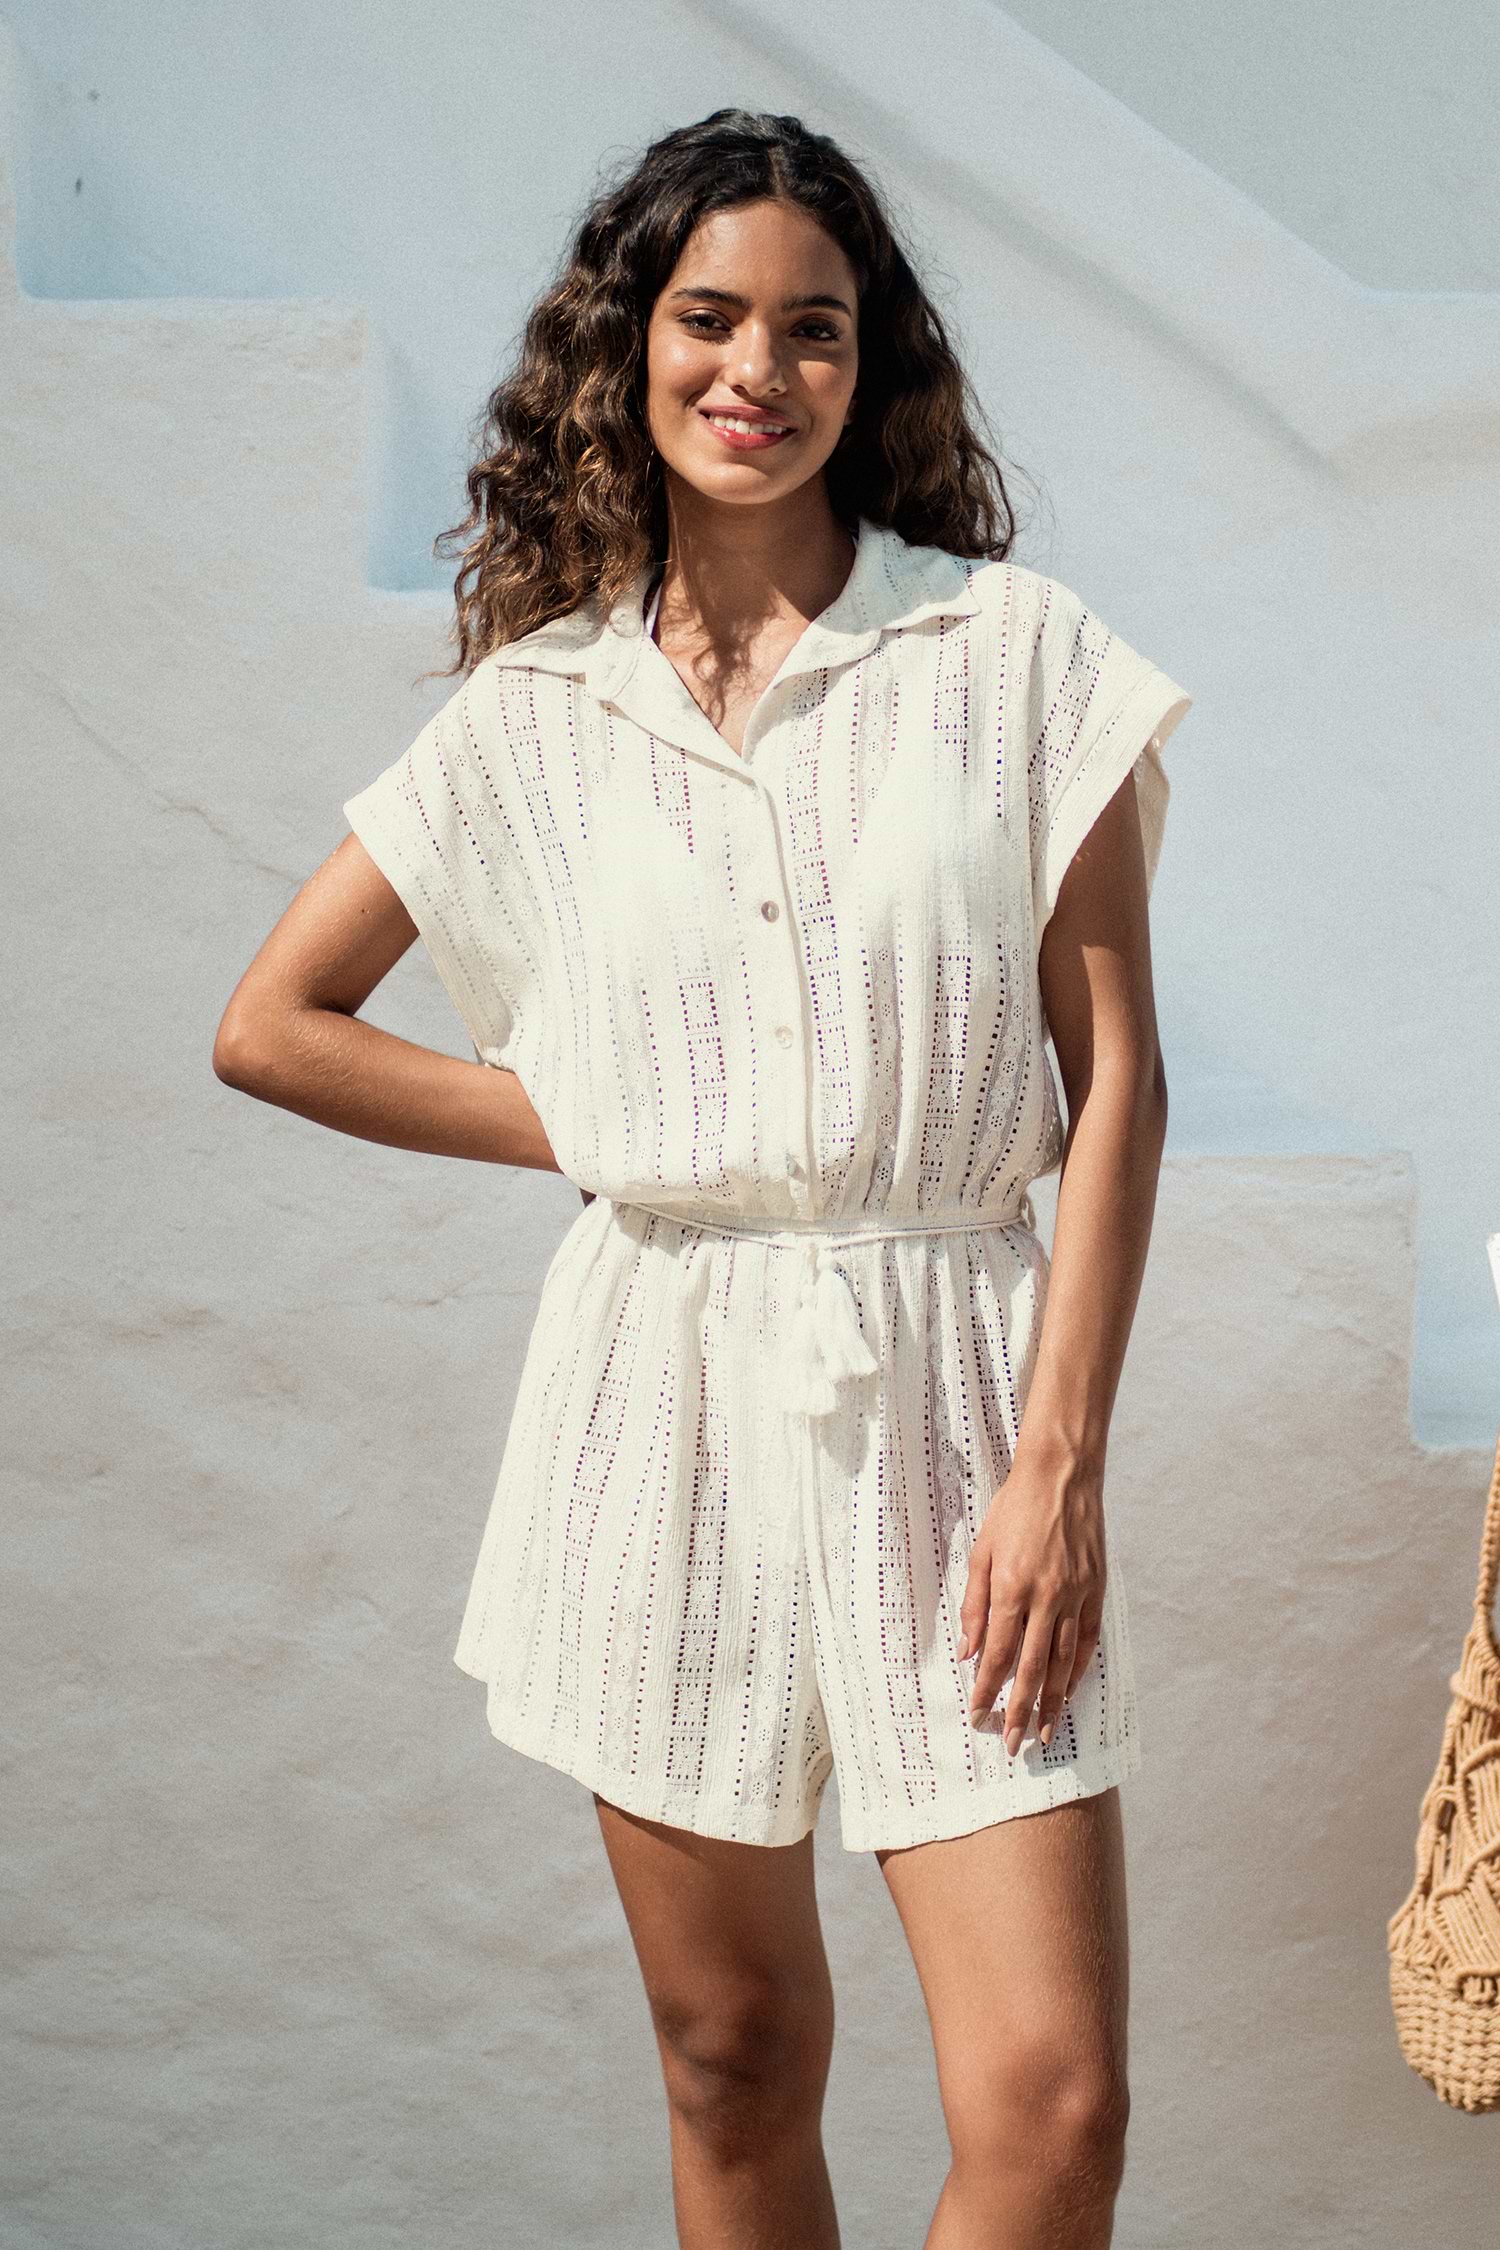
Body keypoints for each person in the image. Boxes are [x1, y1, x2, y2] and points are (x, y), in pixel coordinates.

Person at [215, 106, 1192, 2250]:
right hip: (660, 1399)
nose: (760, 369)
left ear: (872, 364)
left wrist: (1059, 1463)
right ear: (628, 346)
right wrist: (604, 1122)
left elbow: (1114, 1073)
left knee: (1054, 2103)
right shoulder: (538, 715)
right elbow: (271, 1020)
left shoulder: (1009, 656)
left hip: (957, 1398)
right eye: (710, 318)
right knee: (730, 2052)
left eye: (814, 328)